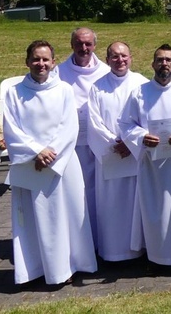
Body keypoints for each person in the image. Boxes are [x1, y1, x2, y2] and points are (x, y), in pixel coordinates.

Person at [4, 40, 96, 285]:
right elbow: (11, 129)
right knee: (35, 219)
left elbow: (70, 126)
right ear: (27, 62)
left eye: (45, 59)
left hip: (62, 164)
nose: (41, 64)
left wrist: (50, 154)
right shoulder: (14, 92)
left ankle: (70, 266)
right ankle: (36, 269)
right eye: (36, 59)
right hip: (30, 165)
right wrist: (36, 152)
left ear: (54, 62)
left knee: (68, 215)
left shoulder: (64, 89)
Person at [119, 45, 171, 268]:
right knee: (155, 210)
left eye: (168, 60)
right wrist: (141, 137)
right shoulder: (139, 93)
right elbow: (126, 125)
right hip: (152, 164)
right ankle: (158, 256)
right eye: (159, 60)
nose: (164, 64)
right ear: (152, 64)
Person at [87, 41, 148, 262]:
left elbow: (149, 117)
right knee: (112, 206)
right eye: (114, 56)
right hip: (111, 156)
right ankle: (114, 252)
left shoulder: (142, 83)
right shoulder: (97, 87)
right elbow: (93, 122)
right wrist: (115, 144)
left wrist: (132, 143)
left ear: (131, 57)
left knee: (138, 204)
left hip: (136, 155)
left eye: (123, 56)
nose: (120, 60)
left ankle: (141, 249)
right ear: (107, 59)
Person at [53, 27, 110, 244]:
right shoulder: (59, 73)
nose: (84, 48)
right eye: (79, 44)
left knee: (99, 194)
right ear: (72, 45)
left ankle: (100, 239)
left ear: (95, 45)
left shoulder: (106, 71)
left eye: (88, 44)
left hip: (100, 142)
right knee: (77, 194)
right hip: (72, 144)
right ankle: (80, 241)